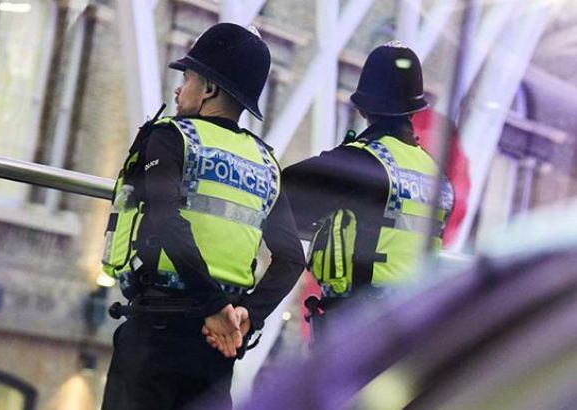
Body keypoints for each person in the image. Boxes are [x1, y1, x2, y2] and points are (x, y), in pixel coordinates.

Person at [100, 23, 305, 410]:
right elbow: (292, 258)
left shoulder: (171, 137)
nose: (179, 90)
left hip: (158, 334)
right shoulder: (265, 162)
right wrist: (247, 315)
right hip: (218, 346)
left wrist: (213, 307)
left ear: (209, 88)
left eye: (188, 78)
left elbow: (164, 221)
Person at [283, 41, 455, 339]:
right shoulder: (439, 180)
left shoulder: (361, 163)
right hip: (414, 328)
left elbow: (281, 195)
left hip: (357, 327)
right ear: (415, 110)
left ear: (362, 107)